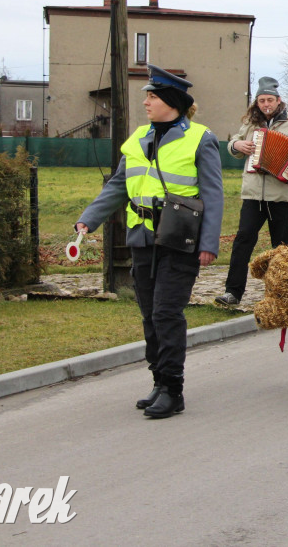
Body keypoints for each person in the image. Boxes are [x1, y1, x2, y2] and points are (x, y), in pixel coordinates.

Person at [76, 64, 223, 419]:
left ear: (170, 101)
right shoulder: (139, 138)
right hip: (142, 237)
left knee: (166, 313)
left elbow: (213, 195)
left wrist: (209, 243)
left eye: (152, 97)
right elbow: (117, 185)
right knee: (148, 315)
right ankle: (159, 380)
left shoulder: (200, 138)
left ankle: (173, 389)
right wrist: (88, 219)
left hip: (179, 239)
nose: (146, 102)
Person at [215, 77, 288, 307]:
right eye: (261, 100)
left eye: (270, 100)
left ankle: (283, 293)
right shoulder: (251, 123)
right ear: (256, 102)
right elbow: (235, 143)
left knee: (283, 246)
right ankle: (233, 292)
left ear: (279, 101)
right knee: (243, 241)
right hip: (252, 194)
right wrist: (237, 145)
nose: (266, 104)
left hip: (282, 195)